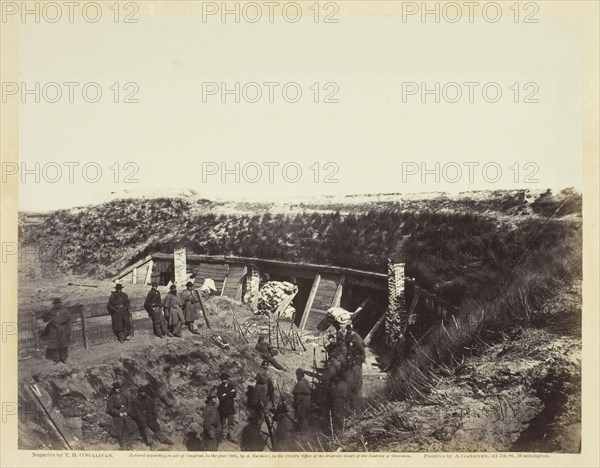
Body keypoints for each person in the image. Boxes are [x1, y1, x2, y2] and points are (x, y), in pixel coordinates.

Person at [106, 382, 137, 449]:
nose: (118, 389)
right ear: (114, 389)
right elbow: (110, 409)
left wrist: (126, 412)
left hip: (126, 416)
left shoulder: (125, 396)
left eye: (119, 388)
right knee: (120, 429)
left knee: (132, 427)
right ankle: (123, 445)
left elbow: (129, 406)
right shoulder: (112, 398)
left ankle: (128, 444)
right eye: (117, 388)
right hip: (117, 417)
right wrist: (118, 413)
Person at [42, 298, 71, 364]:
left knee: (63, 344)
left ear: (60, 304)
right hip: (54, 329)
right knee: (54, 344)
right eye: (56, 304)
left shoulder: (64, 310)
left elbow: (69, 318)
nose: (57, 305)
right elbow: (45, 319)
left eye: (58, 304)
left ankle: (63, 358)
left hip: (62, 329)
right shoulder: (52, 311)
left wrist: (65, 327)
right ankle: (57, 359)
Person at [216, 372, 237, 442]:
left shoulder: (231, 385)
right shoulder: (219, 387)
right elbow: (220, 397)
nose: (224, 380)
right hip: (223, 407)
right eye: (223, 379)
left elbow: (234, 394)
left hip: (230, 407)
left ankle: (232, 437)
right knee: (223, 423)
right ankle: (223, 436)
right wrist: (229, 394)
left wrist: (225, 394)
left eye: (225, 379)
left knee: (231, 423)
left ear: (228, 379)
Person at [292, 368, 311, 434]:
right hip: (308, 402)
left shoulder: (299, 384)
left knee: (301, 416)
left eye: (297, 375)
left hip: (302, 403)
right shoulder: (306, 381)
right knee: (305, 416)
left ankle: (301, 431)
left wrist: (295, 404)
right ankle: (305, 430)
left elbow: (297, 397)